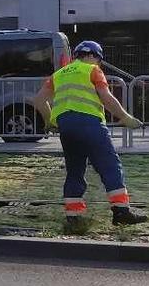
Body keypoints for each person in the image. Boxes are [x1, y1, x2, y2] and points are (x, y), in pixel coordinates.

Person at [32, 41, 146, 232]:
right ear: (94, 56)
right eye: (99, 60)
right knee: (109, 165)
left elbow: (38, 100)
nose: (98, 64)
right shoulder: (92, 70)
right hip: (89, 124)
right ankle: (121, 212)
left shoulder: (58, 75)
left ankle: (74, 217)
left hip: (66, 127)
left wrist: (50, 121)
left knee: (75, 171)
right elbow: (106, 97)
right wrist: (126, 118)